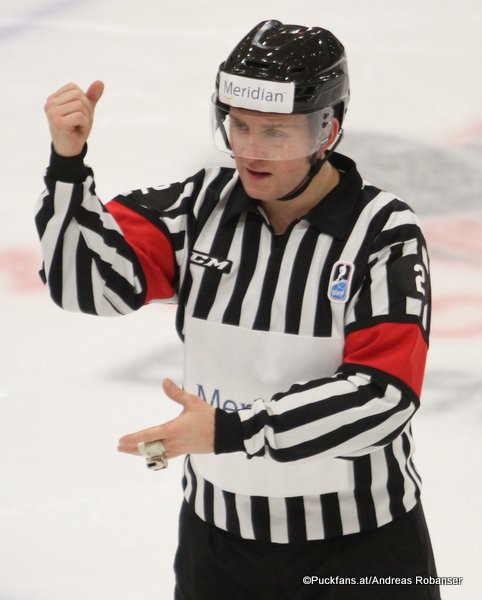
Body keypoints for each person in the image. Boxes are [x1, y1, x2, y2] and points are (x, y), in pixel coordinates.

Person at [36, 19, 440, 600]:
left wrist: (234, 429)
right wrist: (68, 164)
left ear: (329, 129)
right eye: (239, 125)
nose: (249, 150)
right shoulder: (197, 207)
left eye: (275, 133)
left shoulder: (383, 231)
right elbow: (81, 284)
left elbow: (383, 396)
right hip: (218, 546)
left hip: (361, 547)